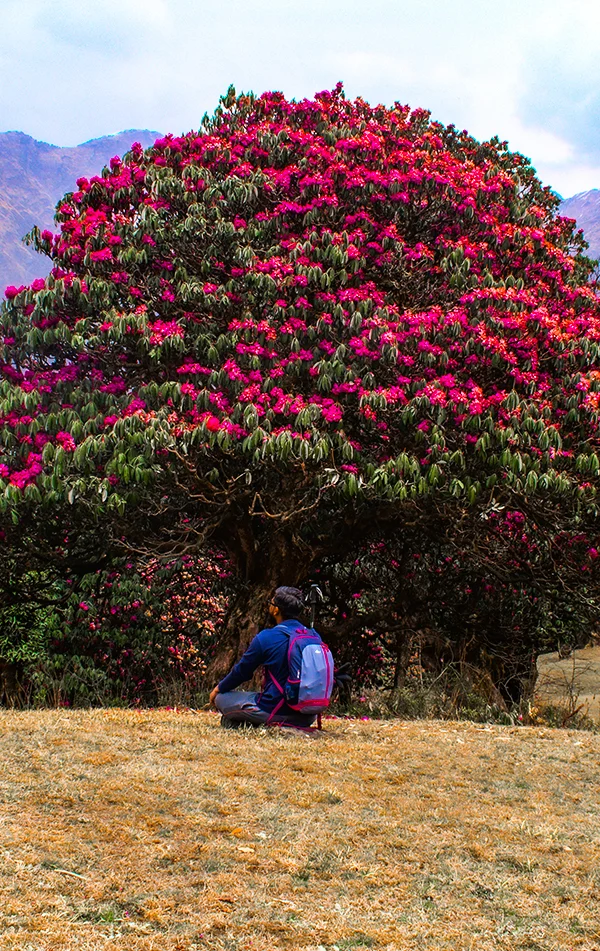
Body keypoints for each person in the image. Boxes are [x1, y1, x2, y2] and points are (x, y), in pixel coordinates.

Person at [209, 586, 318, 728]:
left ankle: (256, 722)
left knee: (221, 699)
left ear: (276, 609)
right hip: (308, 715)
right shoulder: (313, 635)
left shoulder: (267, 637)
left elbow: (242, 672)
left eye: (271, 602)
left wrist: (218, 689)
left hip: (275, 710)